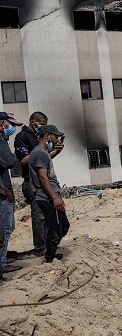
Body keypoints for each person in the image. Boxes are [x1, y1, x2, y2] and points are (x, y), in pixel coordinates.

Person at [14, 112, 61, 256]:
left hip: (41, 181)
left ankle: (47, 245)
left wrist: (55, 152)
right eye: (42, 124)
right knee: (39, 216)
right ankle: (40, 247)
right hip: (32, 182)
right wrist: (40, 152)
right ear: (33, 122)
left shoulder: (37, 139)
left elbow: (42, 160)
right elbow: (23, 161)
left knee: (46, 215)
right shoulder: (22, 137)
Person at [28, 125, 69, 263]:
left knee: (63, 226)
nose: (57, 140)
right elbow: (43, 177)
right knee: (56, 229)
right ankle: (49, 259)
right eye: (55, 137)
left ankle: (50, 252)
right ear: (47, 137)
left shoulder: (42, 153)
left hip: (49, 196)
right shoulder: (40, 153)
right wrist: (54, 197)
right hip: (47, 197)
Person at [0, 112, 22, 273]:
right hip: (3, 194)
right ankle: (2, 264)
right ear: (1, 123)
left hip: (4, 191)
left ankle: (3, 259)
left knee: (7, 229)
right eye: (9, 124)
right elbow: (10, 161)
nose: (11, 128)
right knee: (5, 230)